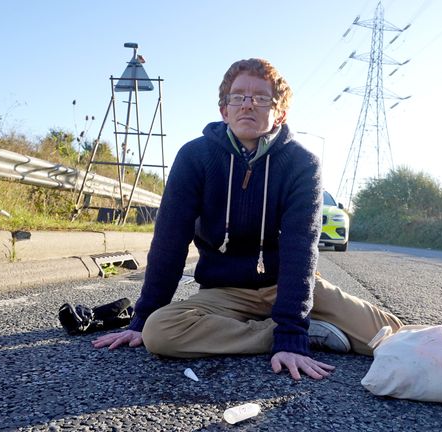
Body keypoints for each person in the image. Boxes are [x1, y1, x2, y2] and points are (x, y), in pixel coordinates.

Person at [92, 58, 403, 380]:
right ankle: (295, 333)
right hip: (224, 292)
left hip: (285, 284)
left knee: (392, 335)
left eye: (261, 98)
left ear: (279, 112)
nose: (248, 105)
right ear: (224, 110)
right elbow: (170, 242)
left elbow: (301, 248)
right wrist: (141, 319)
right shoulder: (194, 157)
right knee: (161, 333)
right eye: (238, 97)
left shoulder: (302, 163)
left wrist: (291, 331)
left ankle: (295, 326)